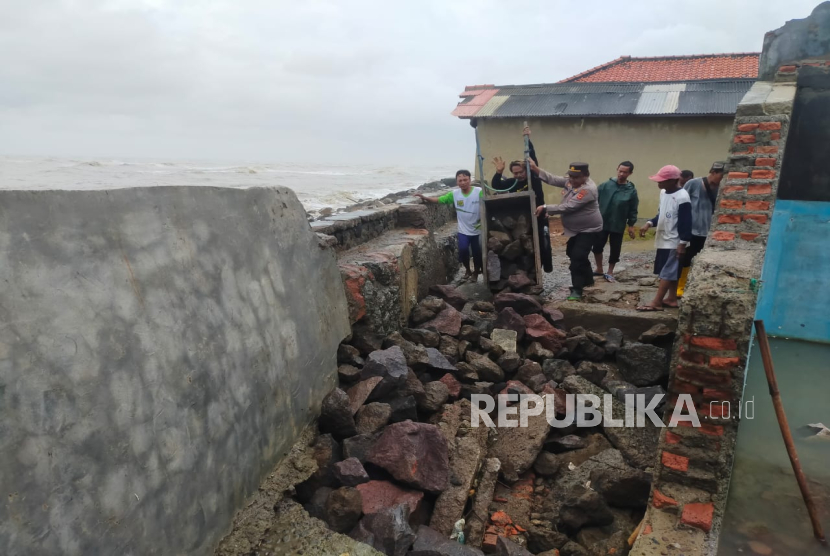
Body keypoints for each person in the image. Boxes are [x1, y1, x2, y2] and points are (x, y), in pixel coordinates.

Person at [532, 162, 602, 301]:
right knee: (573, 252)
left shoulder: (588, 189)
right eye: (570, 176)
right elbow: (553, 179)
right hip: (575, 229)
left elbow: (569, 207)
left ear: (586, 176)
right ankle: (588, 280)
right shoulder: (571, 182)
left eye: (576, 177)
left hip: (589, 229)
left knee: (577, 257)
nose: (572, 180)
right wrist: (536, 169)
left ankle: (577, 289)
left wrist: (546, 207)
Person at [491, 126, 553, 272]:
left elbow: (533, 160)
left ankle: (545, 267)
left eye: (520, 172)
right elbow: (496, 186)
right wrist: (498, 172)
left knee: (543, 241)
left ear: (526, 170)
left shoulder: (534, 179)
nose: (518, 175)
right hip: (522, 217)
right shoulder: (512, 183)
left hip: (539, 214)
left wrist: (528, 141)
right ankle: (528, 269)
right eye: (515, 173)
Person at [636, 165, 692, 311]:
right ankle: (672, 298)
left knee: (666, 272)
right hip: (663, 237)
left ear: (673, 181)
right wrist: (649, 223)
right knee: (669, 270)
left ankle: (657, 301)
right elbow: (661, 214)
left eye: (662, 181)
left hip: (675, 240)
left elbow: (686, 221)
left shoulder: (683, 197)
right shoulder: (663, 193)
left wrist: (682, 243)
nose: (658, 183)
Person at [416, 170, 483, 282]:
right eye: (460, 180)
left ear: (470, 180)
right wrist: (426, 198)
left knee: (477, 252)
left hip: (478, 230)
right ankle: (467, 270)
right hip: (463, 230)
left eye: (465, 180)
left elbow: (488, 201)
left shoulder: (479, 191)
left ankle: (476, 272)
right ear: (457, 182)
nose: (463, 182)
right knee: (463, 250)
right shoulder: (455, 194)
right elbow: (440, 200)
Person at [677, 162, 725, 296]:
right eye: (721, 175)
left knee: (698, 258)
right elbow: (681, 203)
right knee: (684, 257)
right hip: (690, 229)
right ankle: (679, 285)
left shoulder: (722, 188)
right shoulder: (693, 184)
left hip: (707, 231)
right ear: (713, 172)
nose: (722, 179)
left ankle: (692, 284)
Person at [592, 161, 639, 282]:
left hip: (618, 223)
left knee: (615, 248)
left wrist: (631, 225)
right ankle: (599, 268)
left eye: (625, 172)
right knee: (597, 246)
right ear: (617, 169)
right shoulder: (605, 186)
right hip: (601, 222)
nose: (621, 174)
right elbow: (593, 201)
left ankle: (610, 271)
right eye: (620, 171)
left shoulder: (631, 191)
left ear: (630, 173)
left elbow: (633, 209)